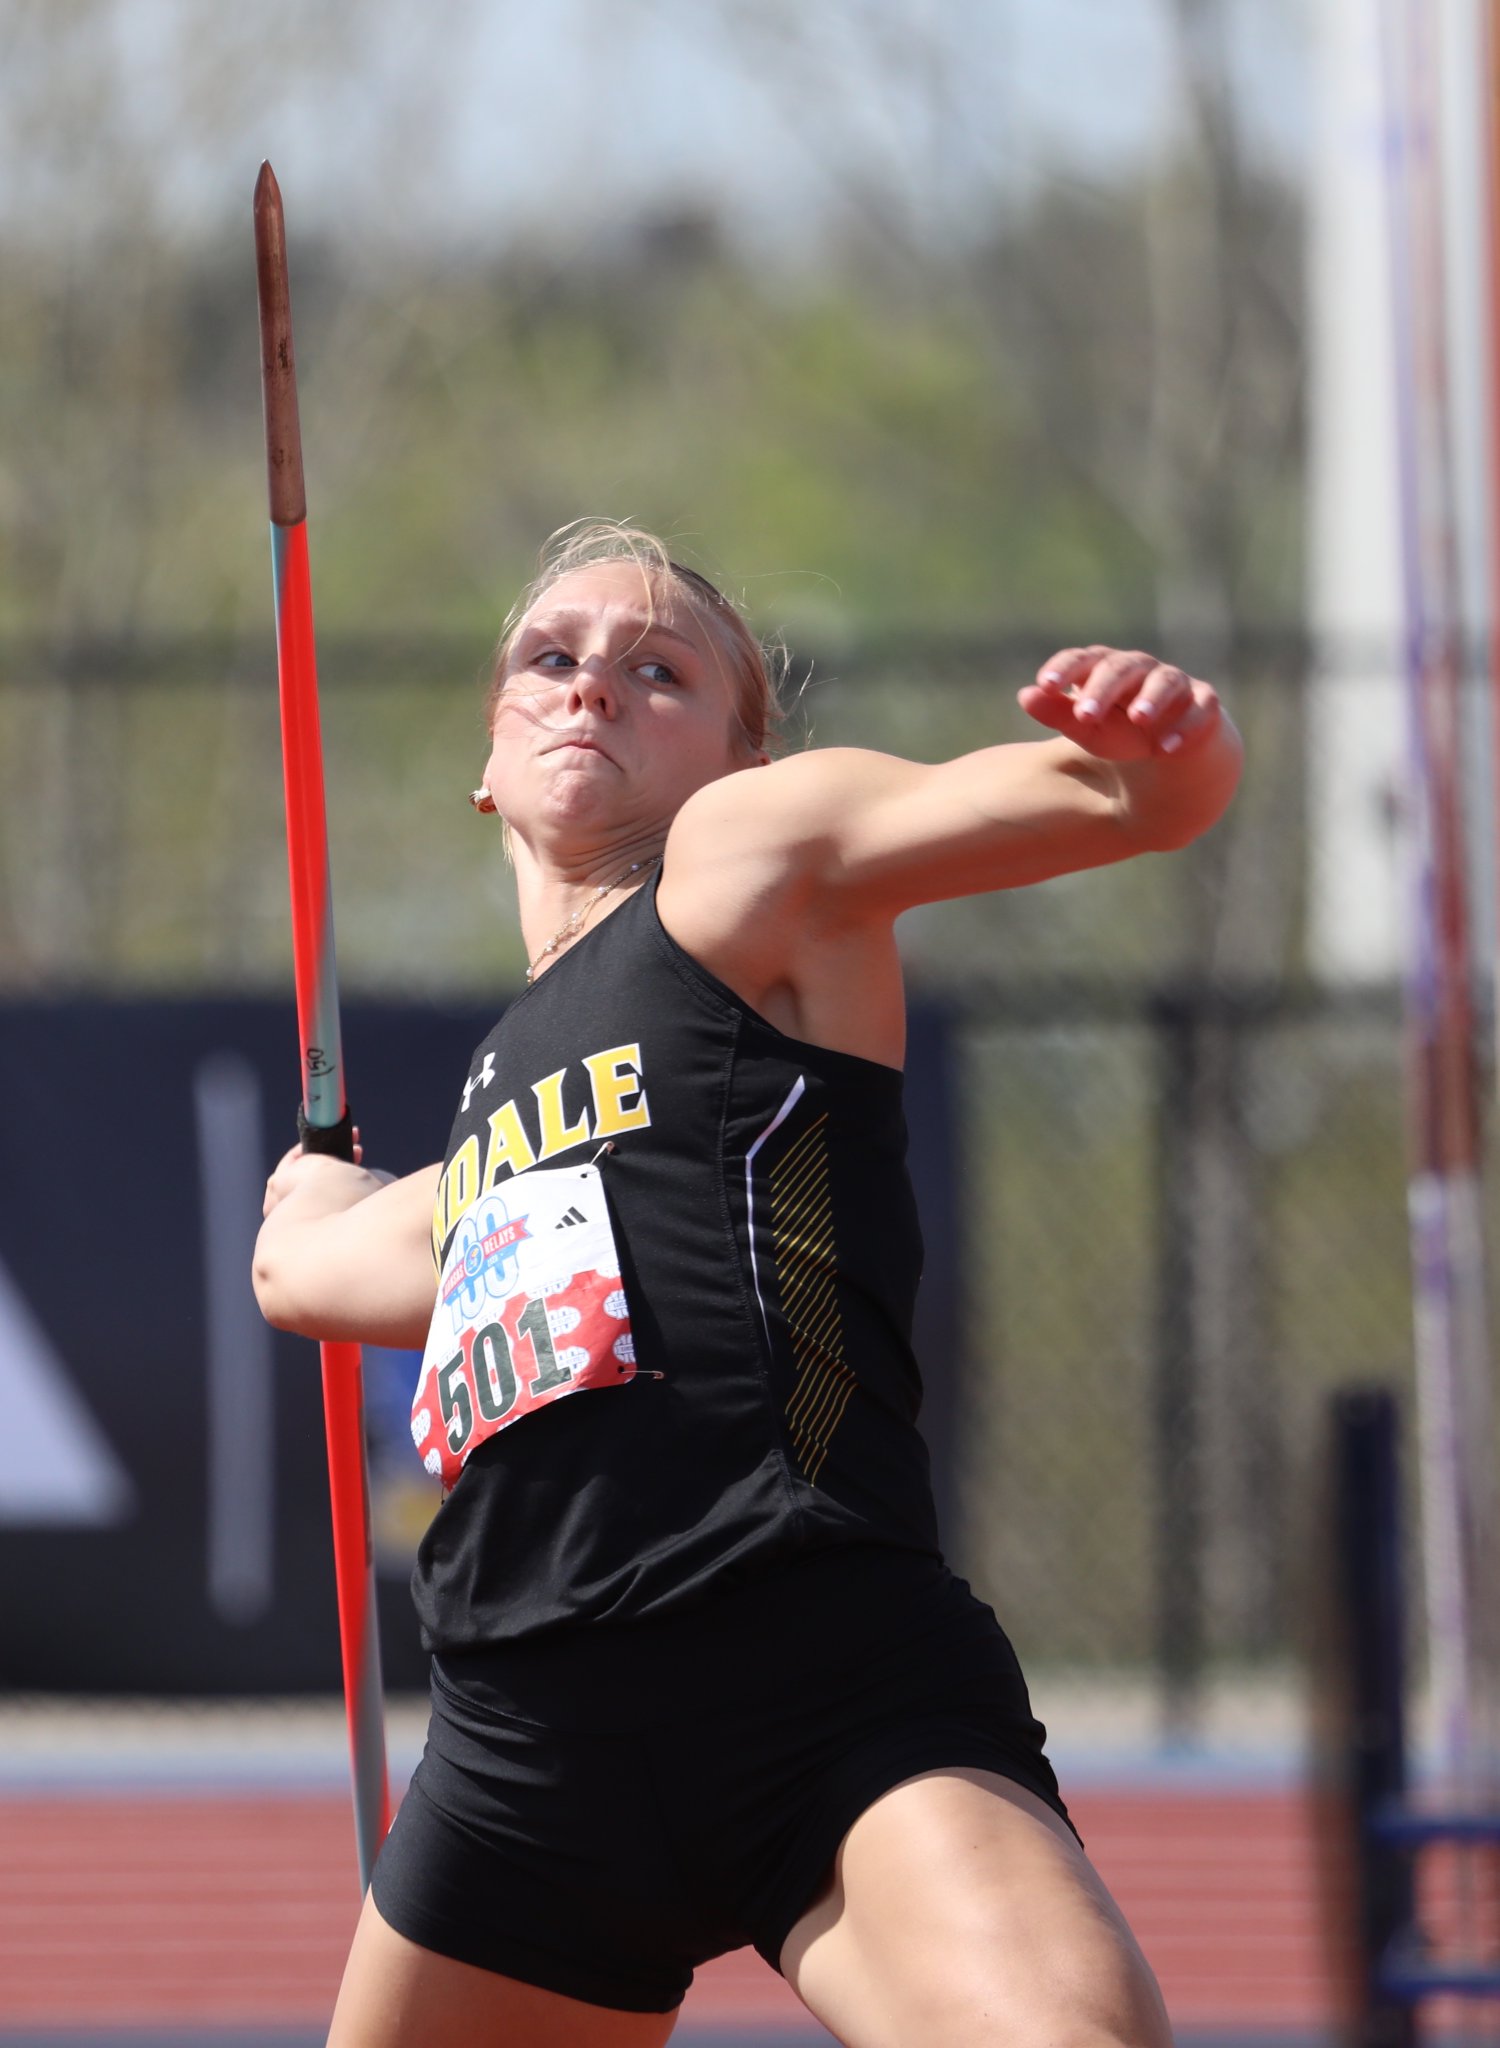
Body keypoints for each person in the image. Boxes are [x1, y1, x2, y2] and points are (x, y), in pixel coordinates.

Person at [254, 522, 1241, 2048]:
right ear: (488, 761)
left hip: (811, 1680)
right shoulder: (494, 1123)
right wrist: (310, 1190)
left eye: (659, 669)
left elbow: (1126, 799)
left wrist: (1165, 756)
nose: (593, 687)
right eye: (550, 658)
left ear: (739, 757)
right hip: (528, 1747)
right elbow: (316, 1271)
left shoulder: (742, 871)